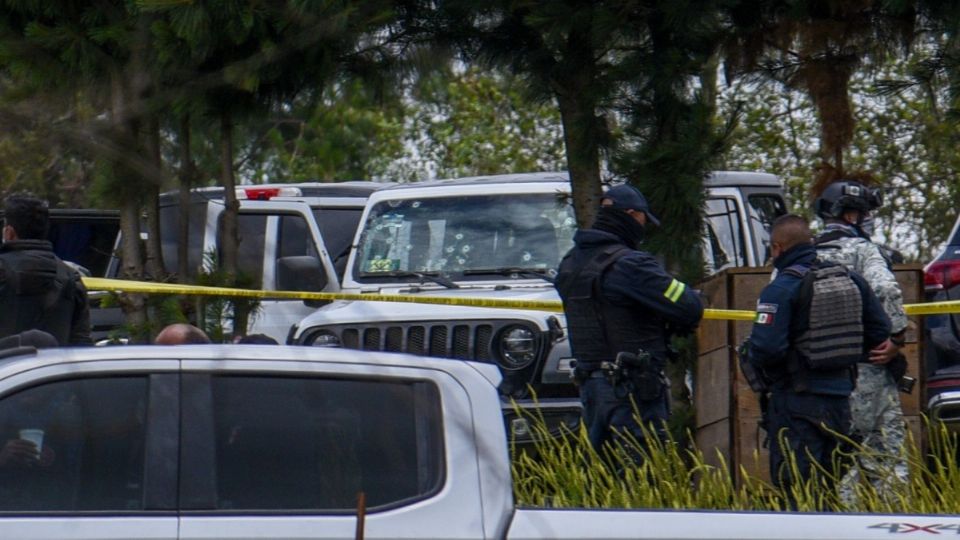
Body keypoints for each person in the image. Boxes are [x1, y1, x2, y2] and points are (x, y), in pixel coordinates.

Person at [742, 214, 891, 504]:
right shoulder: (851, 279)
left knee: (798, 493)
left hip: (796, 404)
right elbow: (880, 331)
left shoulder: (781, 288)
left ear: (777, 247)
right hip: (841, 405)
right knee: (830, 491)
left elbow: (765, 349)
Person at [555, 184, 704, 455]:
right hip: (632, 393)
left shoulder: (570, 264)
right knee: (642, 479)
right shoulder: (631, 265)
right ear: (634, 215)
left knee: (604, 484)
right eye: (644, 220)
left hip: (591, 391)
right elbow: (688, 306)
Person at [813, 179, 911, 504]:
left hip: (819, 380)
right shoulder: (864, 251)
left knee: (840, 466)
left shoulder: (803, 254)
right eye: (865, 213)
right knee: (887, 466)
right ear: (852, 216)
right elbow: (887, 290)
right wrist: (897, 337)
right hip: (868, 371)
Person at [0, 194, 91, 346]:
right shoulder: (71, 277)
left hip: (7, 368)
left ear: (9, 232)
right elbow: (81, 342)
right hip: (53, 369)